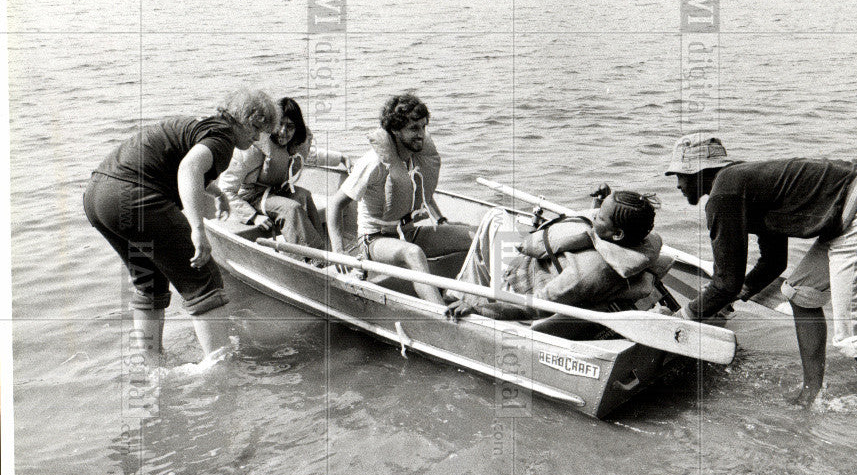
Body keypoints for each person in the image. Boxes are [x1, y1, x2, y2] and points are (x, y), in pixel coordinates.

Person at [664, 131, 857, 429]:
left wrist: (682, 317)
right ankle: (812, 394)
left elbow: (725, 282)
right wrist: (737, 293)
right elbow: (773, 262)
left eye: (679, 174)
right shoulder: (742, 182)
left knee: (856, 338)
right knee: (799, 292)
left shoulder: (724, 194)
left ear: (698, 172)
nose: (677, 183)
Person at [83, 89, 279, 365]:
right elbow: (188, 169)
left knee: (150, 283)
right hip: (133, 196)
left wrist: (216, 191)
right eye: (256, 128)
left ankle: (153, 365)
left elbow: (171, 161)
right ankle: (219, 369)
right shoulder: (223, 139)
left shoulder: (201, 124)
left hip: (98, 197)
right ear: (241, 119)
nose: (257, 138)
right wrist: (197, 229)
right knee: (204, 278)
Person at [326, 93, 475, 305]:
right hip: (374, 240)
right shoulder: (373, 163)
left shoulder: (416, 156)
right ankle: (442, 315)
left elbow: (421, 192)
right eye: (414, 129)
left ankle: (482, 300)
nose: (421, 135)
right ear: (395, 130)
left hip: (408, 232)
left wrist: (440, 219)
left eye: (423, 127)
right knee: (413, 253)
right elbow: (335, 203)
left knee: (474, 235)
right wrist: (338, 251)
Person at [446, 190, 662, 321]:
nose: (594, 215)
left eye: (600, 217)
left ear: (617, 234)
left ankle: (461, 299)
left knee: (496, 217)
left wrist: (478, 309)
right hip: (539, 271)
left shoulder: (587, 274)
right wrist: (599, 206)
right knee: (499, 223)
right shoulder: (633, 247)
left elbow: (533, 306)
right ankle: (466, 294)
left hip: (516, 288)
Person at [217, 96, 326, 251]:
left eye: (290, 127)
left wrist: (340, 158)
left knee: (305, 196)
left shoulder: (294, 145)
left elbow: (314, 156)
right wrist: (253, 217)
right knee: (290, 208)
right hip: (250, 198)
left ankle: (323, 252)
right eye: (279, 124)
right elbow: (226, 189)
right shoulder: (253, 149)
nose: (283, 132)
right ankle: (310, 259)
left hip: (275, 192)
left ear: (297, 129)